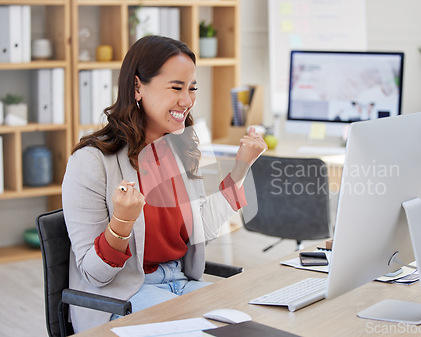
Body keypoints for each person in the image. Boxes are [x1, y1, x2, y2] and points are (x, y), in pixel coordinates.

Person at [61, 35, 267, 333]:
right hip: (122, 296)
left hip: (179, 281)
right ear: (137, 87)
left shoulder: (178, 149)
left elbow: (200, 231)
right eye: (176, 88)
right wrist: (122, 221)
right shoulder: (92, 161)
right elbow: (95, 275)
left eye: (192, 88)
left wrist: (242, 166)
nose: (187, 100)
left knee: (252, 325)